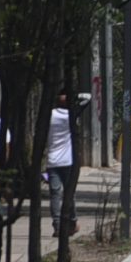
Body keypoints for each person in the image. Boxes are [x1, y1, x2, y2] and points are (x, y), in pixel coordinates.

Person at [45, 94, 81, 238]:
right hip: (68, 161)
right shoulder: (72, 117)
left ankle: (57, 226)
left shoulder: (49, 116)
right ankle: (72, 222)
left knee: (55, 194)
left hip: (52, 161)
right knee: (69, 193)